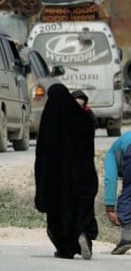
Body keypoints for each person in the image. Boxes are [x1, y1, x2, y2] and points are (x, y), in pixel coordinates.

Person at [34, 83, 98, 260]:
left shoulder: (48, 122)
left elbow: (41, 155)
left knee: (59, 213)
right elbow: (89, 147)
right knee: (81, 210)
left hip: (56, 180)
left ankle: (65, 249)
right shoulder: (82, 119)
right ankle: (83, 235)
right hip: (81, 176)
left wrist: (41, 180)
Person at [103, 131, 131, 255]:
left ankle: (126, 238)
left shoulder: (111, 154)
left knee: (128, 192)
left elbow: (110, 178)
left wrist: (109, 208)